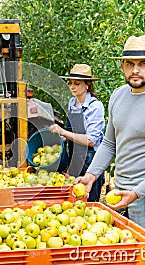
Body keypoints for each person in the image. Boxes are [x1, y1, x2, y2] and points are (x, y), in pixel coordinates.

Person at [75, 35, 145, 238]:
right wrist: (91, 175)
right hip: (119, 192)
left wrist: (136, 193)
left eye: (143, 64)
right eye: (130, 63)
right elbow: (109, 143)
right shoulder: (118, 95)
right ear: (122, 66)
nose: (135, 70)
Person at [49, 64, 105, 201]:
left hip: (90, 160)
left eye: (77, 83)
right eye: (71, 83)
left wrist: (64, 132)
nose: (72, 87)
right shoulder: (72, 103)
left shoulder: (95, 107)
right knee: (75, 199)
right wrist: (62, 139)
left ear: (87, 85)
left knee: (90, 200)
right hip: (75, 157)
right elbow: (71, 131)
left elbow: (90, 141)